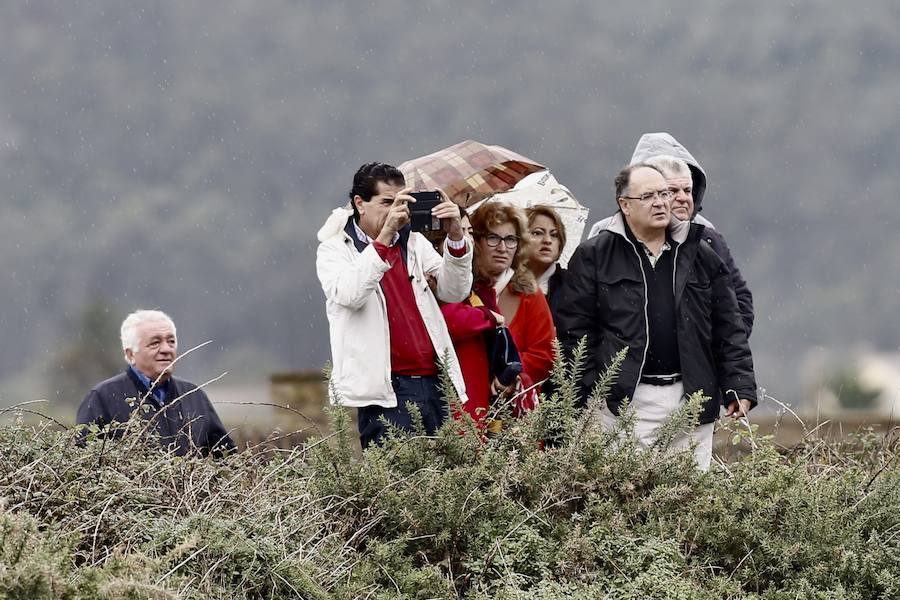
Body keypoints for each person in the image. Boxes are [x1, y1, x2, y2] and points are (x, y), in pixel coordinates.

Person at [558, 164, 756, 470]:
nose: (662, 202)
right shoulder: (594, 256)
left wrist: (739, 385)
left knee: (688, 502)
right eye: (648, 195)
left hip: (690, 398)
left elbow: (728, 326)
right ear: (624, 204)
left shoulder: (700, 251)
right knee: (623, 499)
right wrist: (590, 393)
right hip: (621, 403)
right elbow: (575, 332)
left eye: (664, 193)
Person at [316, 162, 472, 448]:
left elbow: (454, 291)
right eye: (387, 202)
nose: (396, 210)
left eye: (401, 201)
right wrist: (384, 238)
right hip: (386, 388)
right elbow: (350, 294)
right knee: (394, 485)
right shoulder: (334, 249)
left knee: (444, 482)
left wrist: (456, 238)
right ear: (359, 204)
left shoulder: (413, 242)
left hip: (435, 381)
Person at [588, 132, 754, 336]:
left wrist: (707, 353)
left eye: (687, 189)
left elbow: (740, 307)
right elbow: (584, 312)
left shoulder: (706, 236)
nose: (683, 198)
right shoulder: (607, 234)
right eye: (672, 191)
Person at [75, 310, 235, 457]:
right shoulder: (103, 397)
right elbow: (83, 462)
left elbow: (227, 458)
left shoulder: (193, 395)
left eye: (171, 341)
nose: (166, 349)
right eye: (155, 343)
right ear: (130, 354)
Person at [468, 201, 555, 413]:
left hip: (512, 415)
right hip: (465, 408)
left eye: (510, 240)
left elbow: (545, 355)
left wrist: (508, 373)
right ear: (476, 240)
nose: (502, 248)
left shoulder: (529, 294)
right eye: (493, 238)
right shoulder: (459, 289)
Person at [525, 206, 567, 328]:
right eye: (537, 233)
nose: (547, 240)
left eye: (554, 235)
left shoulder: (573, 285)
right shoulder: (505, 282)